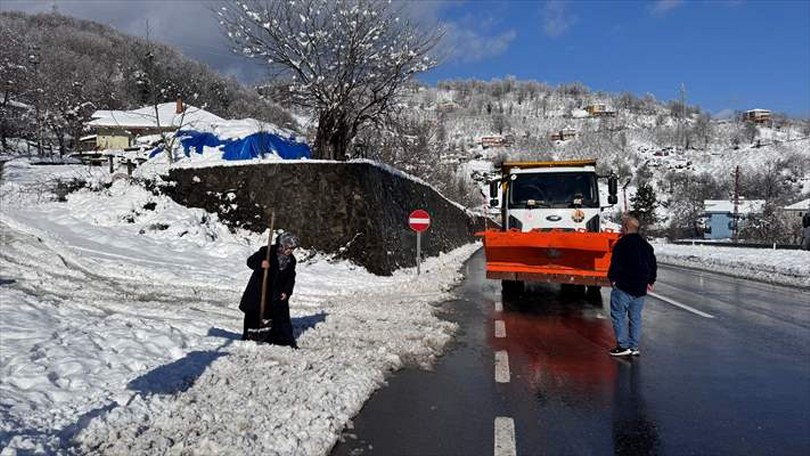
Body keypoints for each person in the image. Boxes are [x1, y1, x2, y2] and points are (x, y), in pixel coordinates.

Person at [607, 215, 657, 357]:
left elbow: (616, 264)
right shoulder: (646, 246)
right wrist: (650, 281)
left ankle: (622, 346)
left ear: (627, 227)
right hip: (640, 288)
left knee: (618, 315)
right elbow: (652, 265)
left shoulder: (621, 244)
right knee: (635, 317)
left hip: (624, 285)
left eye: (623, 226)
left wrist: (613, 279)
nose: (621, 228)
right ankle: (634, 346)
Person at [239, 232, 299, 347]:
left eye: (292, 249)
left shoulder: (291, 260)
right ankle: (250, 340)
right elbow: (250, 261)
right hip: (260, 289)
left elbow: (290, 278)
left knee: (280, 317)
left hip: (277, 292)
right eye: (288, 248)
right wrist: (261, 263)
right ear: (282, 245)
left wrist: (286, 291)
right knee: (254, 315)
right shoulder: (267, 252)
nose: (290, 251)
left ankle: (282, 342)